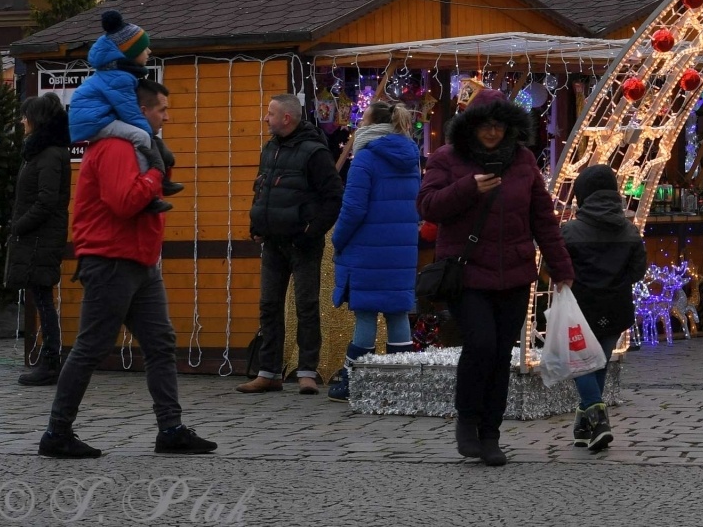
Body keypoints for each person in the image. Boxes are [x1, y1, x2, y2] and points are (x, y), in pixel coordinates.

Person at [40, 79, 216, 458]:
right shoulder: (117, 147)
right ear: (141, 110)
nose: (167, 117)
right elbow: (124, 202)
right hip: (112, 259)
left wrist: (155, 171)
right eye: (162, 110)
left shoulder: (135, 146)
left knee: (160, 343)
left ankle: (171, 429)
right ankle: (56, 432)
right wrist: (155, 175)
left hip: (138, 259)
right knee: (91, 347)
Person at [418, 90, 574, 467]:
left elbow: (543, 219)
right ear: (471, 125)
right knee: (481, 345)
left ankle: (491, 435)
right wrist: (467, 188)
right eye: (485, 125)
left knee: (501, 354)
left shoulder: (522, 161)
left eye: (499, 125)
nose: (492, 132)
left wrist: (562, 269)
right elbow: (428, 206)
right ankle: (467, 421)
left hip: (514, 274)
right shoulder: (447, 158)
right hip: (467, 272)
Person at [239, 94, 343, 395]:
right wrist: (256, 225)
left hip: (302, 243)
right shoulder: (270, 148)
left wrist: (312, 231)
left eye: (270, 113)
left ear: (287, 118)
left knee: (306, 306)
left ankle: (307, 372)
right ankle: (269, 372)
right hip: (273, 241)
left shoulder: (314, 152)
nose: (265, 118)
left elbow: (334, 197)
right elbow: (262, 188)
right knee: (269, 306)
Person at [327, 101, 422, 402]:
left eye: (362, 119)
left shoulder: (366, 158)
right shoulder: (411, 158)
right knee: (397, 311)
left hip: (367, 248)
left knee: (366, 313)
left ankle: (354, 380)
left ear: (371, 124)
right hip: (402, 249)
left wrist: (338, 239)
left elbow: (353, 208)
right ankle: (403, 383)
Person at [559, 164, 647, 452]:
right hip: (616, 307)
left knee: (582, 364)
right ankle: (583, 426)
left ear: (582, 195)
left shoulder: (569, 232)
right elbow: (637, 272)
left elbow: (557, 268)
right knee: (598, 364)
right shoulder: (630, 231)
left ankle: (598, 422)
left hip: (580, 309)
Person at [67, 10, 181, 214]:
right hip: (94, 121)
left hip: (95, 118)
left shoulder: (116, 73)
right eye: (144, 48)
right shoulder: (120, 77)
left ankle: (160, 180)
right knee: (141, 136)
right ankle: (147, 185)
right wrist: (148, 134)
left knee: (145, 137)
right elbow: (130, 112)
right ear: (130, 53)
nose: (149, 51)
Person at [6, 94, 73, 386]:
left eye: (26, 116)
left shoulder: (49, 155)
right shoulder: (40, 152)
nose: (22, 121)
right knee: (42, 297)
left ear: (38, 120)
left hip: (39, 239)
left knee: (44, 299)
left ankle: (50, 362)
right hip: (36, 237)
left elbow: (46, 201)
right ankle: (49, 361)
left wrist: (18, 226)